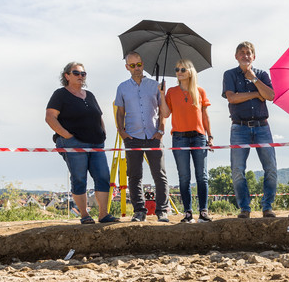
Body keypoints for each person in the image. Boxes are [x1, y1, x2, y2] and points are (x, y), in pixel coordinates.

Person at [45, 62, 119, 224]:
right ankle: (85, 215)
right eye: (76, 73)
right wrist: (68, 136)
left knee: (103, 177)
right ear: (67, 76)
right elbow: (50, 117)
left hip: (96, 143)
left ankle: (103, 214)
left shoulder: (90, 95)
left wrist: (103, 132)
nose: (80, 76)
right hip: (74, 142)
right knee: (79, 178)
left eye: (83, 73)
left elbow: (98, 116)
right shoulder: (60, 94)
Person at [222, 41, 277, 218]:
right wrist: (255, 93)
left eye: (249, 53)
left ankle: (267, 206)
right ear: (236, 56)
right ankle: (245, 209)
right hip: (239, 127)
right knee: (238, 170)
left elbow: (269, 95)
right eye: (242, 53)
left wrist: (253, 78)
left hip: (262, 127)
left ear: (254, 56)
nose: (245, 55)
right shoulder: (229, 74)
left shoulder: (261, 74)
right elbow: (232, 98)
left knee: (271, 168)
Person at [115, 52, 169, 222]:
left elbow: (163, 111)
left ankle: (162, 210)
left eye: (138, 64)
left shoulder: (155, 85)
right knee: (134, 175)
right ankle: (139, 211)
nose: (136, 68)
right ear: (127, 67)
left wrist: (160, 131)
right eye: (132, 65)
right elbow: (120, 112)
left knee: (159, 174)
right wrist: (122, 133)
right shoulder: (122, 87)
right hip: (132, 137)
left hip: (153, 136)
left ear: (143, 64)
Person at [160, 59, 213, 223]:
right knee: (184, 177)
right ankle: (188, 212)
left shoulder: (200, 91)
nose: (179, 72)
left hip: (198, 137)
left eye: (183, 69)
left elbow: (205, 115)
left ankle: (203, 211)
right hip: (179, 137)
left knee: (202, 176)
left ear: (190, 71)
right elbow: (166, 113)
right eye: (177, 69)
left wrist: (209, 136)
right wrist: (161, 95)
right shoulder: (171, 92)